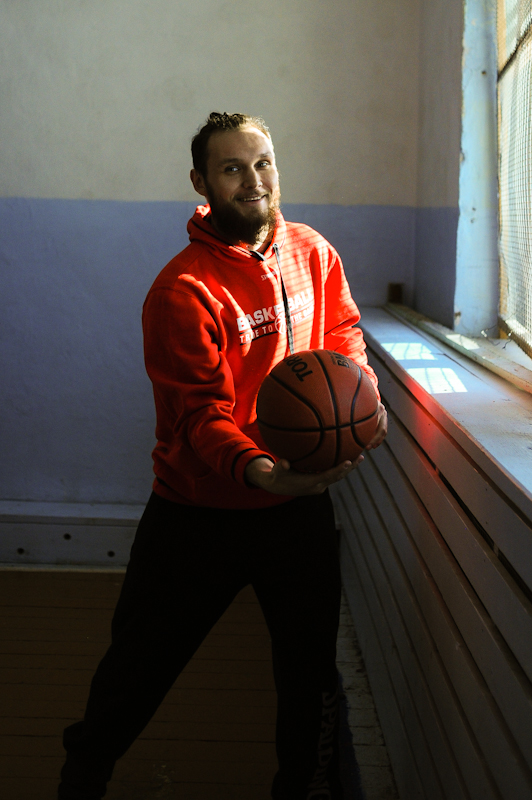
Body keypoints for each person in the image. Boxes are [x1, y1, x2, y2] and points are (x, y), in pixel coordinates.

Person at [57, 112, 387, 800]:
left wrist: (361, 400)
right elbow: (200, 417)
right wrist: (264, 472)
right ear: (201, 182)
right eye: (232, 168)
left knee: (308, 674)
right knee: (137, 670)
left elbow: (342, 332)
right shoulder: (182, 290)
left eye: (262, 163)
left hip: (297, 511)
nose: (253, 180)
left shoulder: (313, 252)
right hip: (198, 514)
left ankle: (302, 788)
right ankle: (83, 774)